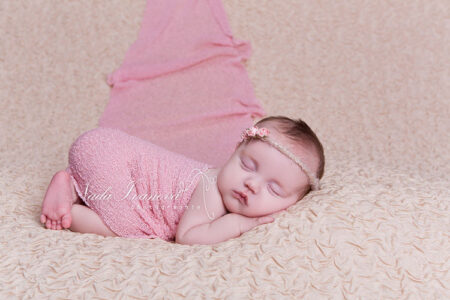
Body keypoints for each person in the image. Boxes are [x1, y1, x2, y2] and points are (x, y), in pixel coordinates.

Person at [40, 115, 325, 245]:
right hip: (106, 154)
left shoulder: (220, 184)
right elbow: (188, 237)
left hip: (104, 149)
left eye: (274, 189)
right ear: (234, 151)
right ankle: (72, 210)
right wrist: (238, 223)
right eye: (248, 165)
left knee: (118, 201)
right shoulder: (210, 186)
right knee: (132, 230)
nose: (252, 184)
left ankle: (75, 187)